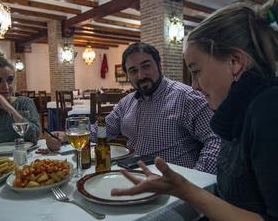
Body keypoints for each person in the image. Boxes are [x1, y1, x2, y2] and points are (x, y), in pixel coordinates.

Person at [111, 0, 278, 221]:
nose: (194, 86)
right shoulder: (238, 115)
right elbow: (229, 208)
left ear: (234, 62)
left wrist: (186, 189)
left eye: (196, 71)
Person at [46, 42, 221, 174]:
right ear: (128, 75)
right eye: (133, 70)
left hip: (172, 182)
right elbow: (103, 130)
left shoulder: (186, 97)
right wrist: (65, 135)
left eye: (146, 66)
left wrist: (196, 181)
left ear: (159, 66)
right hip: (131, 174)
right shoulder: (126, 103)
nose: (141, 75)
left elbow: (216, 140)